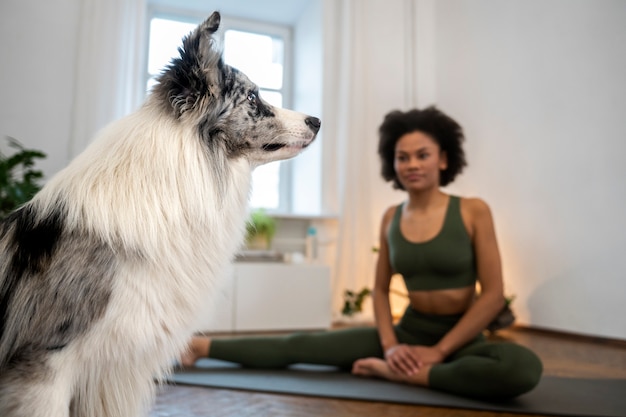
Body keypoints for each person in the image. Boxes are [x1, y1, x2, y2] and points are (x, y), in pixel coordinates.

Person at [181, 107, 543, 399]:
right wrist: (389, 346)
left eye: (422, 155)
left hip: (462, 339)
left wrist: (438, 351)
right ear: (393, 164)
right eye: (403, 157)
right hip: (406, 334)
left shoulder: (473, 210)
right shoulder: (391, 217)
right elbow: (382, 290)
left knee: (520, 367)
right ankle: (201, 347)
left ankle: (414, 376)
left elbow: (493, 295)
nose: (412, 164)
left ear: (444, 160)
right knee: (303, 345)